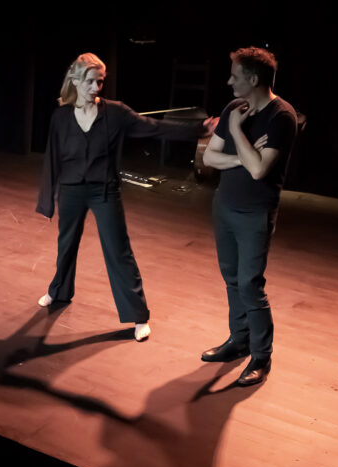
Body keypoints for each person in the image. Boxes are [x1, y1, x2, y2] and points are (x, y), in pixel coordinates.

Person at [37, 53, 216, 342]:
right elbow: (52, 158)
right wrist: (46, 201)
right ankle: (59, 291)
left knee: (119, 251)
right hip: (71, 190)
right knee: (66, 245)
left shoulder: (116, 113)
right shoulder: (61, 116)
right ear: (76, 81)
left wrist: (199, 129)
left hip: (104, 191)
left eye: (100, 82)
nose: (96, 88)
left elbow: (155, 127)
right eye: (90, 82)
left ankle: (138, 315)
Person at [200, 47, 297, 386]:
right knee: (231, 279)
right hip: (224, 206)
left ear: (253, 79)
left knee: (250, 285)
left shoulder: (281, 116)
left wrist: (236, 131)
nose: (229, 82)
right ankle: (238, 341)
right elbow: (210, 158)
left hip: (255, 213)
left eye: (235, 76)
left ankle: (260, 356)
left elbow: (259, 172)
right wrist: (245, 156)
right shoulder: (233, 108)